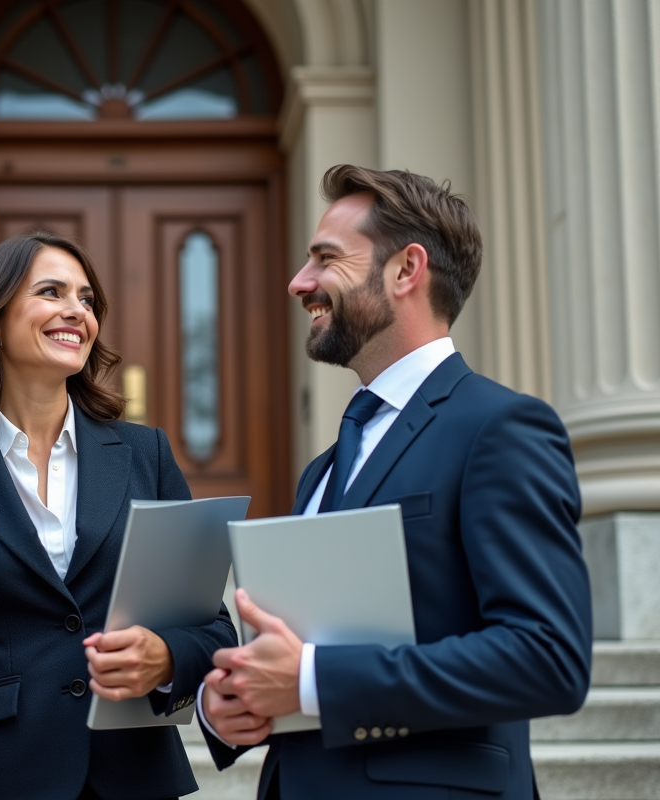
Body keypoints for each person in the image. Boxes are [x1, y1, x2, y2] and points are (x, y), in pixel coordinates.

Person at [198, 165, 593, 799]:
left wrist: (312, 681)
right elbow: (311, 659)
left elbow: (548, 658)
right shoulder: (324, 468)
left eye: (326, 258)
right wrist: (235, 706)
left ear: (406, 269)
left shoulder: (501, 427)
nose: (299, 281)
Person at [0, 232, 237, 800]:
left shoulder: (145, 455)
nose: (77, 310)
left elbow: (212, 627)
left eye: (87, 299)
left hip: (132, 776)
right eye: (51, 292)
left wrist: (165, 657)